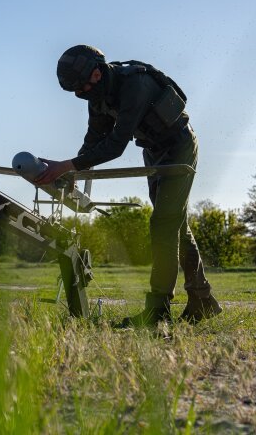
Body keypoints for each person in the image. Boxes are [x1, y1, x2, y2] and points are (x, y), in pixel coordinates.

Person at [34, 44, 221, 326]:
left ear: (96, 72)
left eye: (81, 86)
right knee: (175, 226)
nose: (80, 93)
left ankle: (158, 311)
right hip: (153, 151)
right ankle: (202, 301)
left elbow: (116, 145)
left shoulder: (134, 83)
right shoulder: (96, 98)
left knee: (163, 224)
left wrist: (69, 165)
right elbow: (94, 140)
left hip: (179, 146)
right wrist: (73, 172)